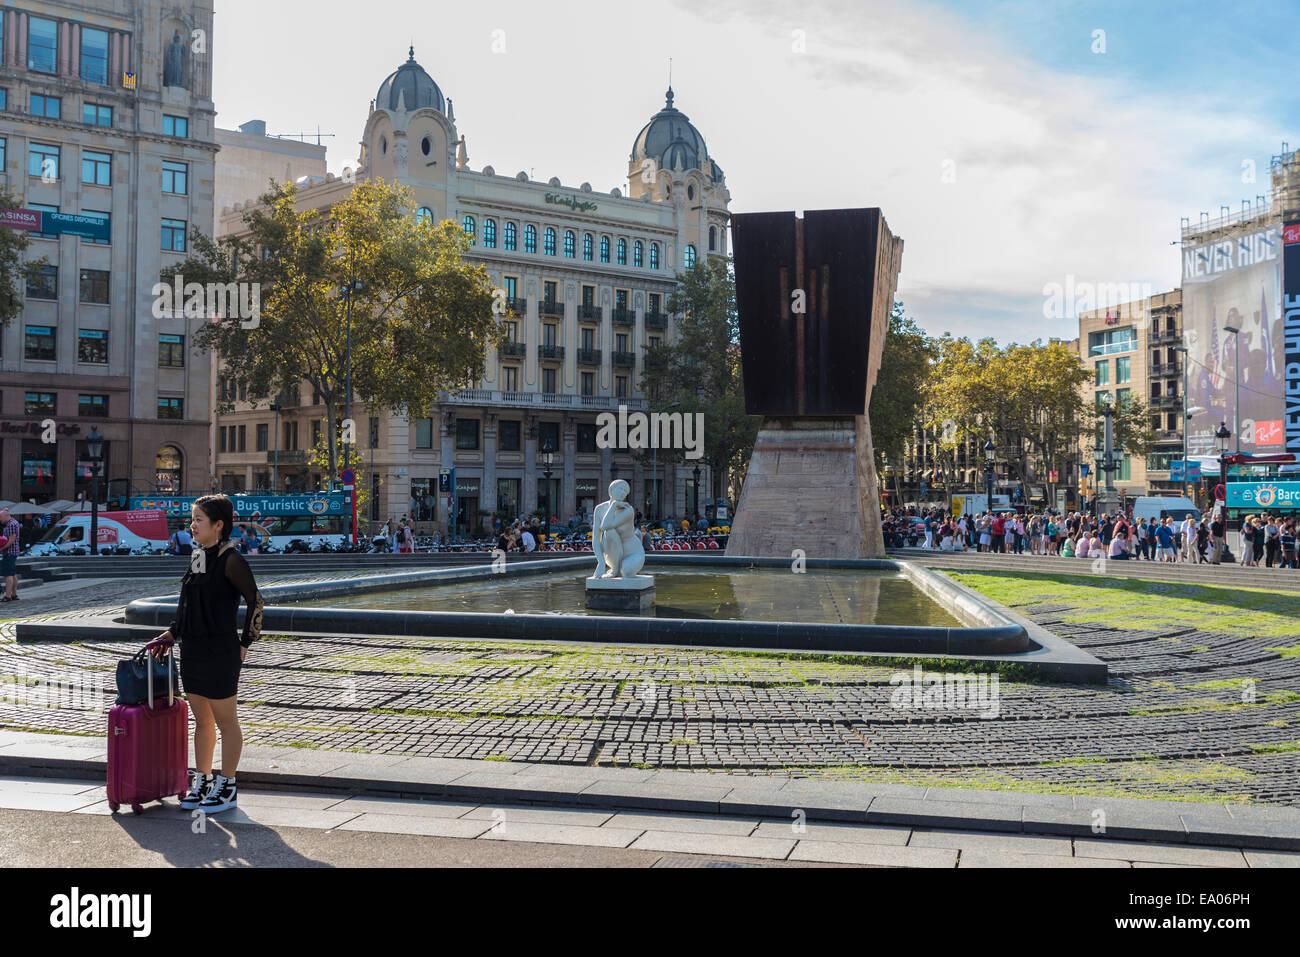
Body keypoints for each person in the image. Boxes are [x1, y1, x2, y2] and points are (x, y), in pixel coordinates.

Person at [152, 494, 262, 815]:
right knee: (202, 721)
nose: (192, 525)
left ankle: (228, 785)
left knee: (226, 721)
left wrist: (245, 643)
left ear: (218, 525)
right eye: (192, 519)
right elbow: (189, 599)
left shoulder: (231, 559)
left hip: (220, 651)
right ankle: (203, 779)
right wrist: (173, 632)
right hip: (194, 649)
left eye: (199, 519)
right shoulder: (199, 554)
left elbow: (256, 601)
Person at [0, 506, 20, 604]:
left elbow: (11, 540)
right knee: (12, 573)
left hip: (9, 552)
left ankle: (8, 595)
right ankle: (14, 594)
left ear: (6, 516)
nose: (0, 520)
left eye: (0, 518)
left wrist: (1, 548)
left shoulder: (11, 525)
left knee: (8, 574)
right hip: (13, 551)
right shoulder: (13, 522)